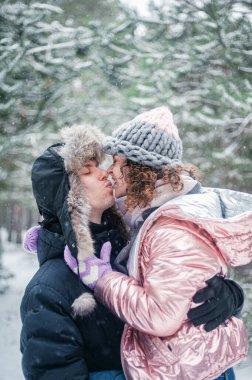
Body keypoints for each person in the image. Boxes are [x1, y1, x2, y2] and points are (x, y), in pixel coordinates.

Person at [65, 107, 252, 380]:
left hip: (190, 368)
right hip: (181, 361)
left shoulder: (171, 229)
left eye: (118, 162)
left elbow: (160, 316)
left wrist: (103, 278)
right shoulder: (145, 214)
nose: (110, 171)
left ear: (140, 169)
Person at [20, 125, 127, 380]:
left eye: (97, 166)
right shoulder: (48, 290)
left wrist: (223, 296)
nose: (104, 174)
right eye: (87, 171)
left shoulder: (128, 251)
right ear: (69, 196)